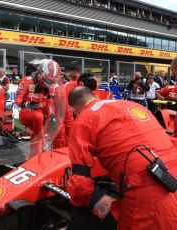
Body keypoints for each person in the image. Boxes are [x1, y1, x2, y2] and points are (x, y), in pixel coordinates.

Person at [66, 86, 177, 229]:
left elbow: (80, 185)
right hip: (170, 175)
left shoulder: (83, 120)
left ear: (73, 109)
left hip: (147, 195)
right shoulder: (133, 105)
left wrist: (79, 208)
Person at [15, 60, 60, 157]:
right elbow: (18, 100)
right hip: (26, 112)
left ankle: (33, 160)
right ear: (41, 73)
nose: (50, 83)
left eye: (52, 81)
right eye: (48, 80)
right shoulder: (26, 80)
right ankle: (44, 144)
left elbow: (49, 103)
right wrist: (26, 103)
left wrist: (52, 116)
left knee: (35, 140)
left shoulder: (49, 87)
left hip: (39, 114)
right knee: (38, 116)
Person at [64, 66, 80, 146]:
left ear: (75, 71)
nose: (69, 74)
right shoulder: (73, 81)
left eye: (71, 73)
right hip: (72, 105)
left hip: (72, 106)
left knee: (70, 127)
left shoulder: (77, 81)